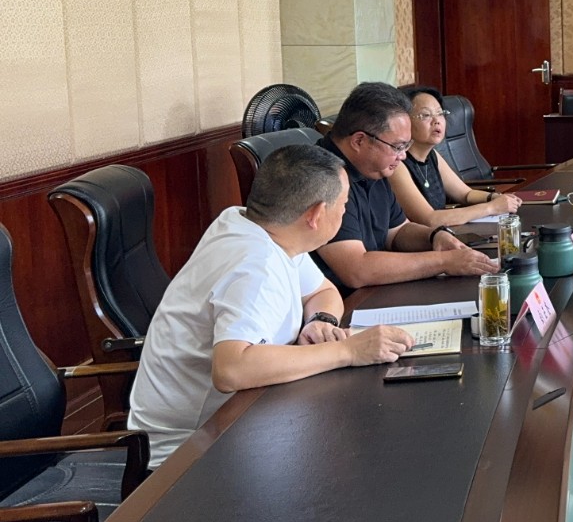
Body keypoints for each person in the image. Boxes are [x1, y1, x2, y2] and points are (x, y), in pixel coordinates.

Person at [128, 145, 415, 468]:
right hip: (189, 456)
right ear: (316, 215)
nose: (345, 211)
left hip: (244, 415)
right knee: (364, 454)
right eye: (344, 204)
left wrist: (320, 321)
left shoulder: (258, 226)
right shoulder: (255, 265)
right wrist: (348, 351)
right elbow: (231, 369)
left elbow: (323, 291)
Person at [314, 81, 497, 292]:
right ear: (359, 141)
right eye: (398, 147)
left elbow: (397, 231)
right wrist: (444, 261)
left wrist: (434, 236)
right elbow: (357, 270)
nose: (402, 156)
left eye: (406, 146)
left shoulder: (374, 167)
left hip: (379, 290)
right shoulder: (321, 176)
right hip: (344, 303)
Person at [389, 86, 523, 230]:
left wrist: (496, 197)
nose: (436, 121)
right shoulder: (397, 164)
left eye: (440, 113)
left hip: (441, 236)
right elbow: (430, 219)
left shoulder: (432, 155)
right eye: (426, 115)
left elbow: (466, 194)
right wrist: (491, 208)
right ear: (405, 122)